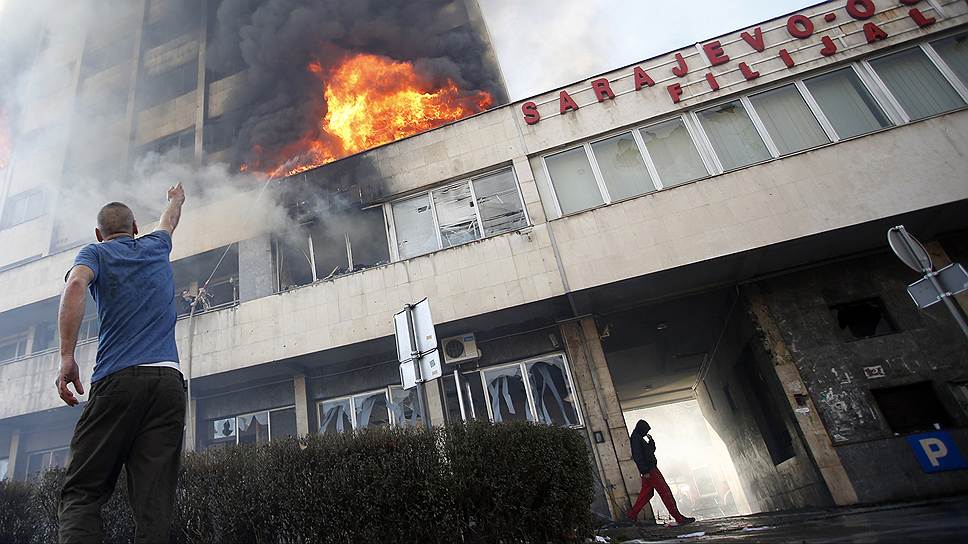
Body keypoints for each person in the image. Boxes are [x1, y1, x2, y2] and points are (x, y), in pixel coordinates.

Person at [56, 183, 187, 543]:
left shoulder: (95, 254)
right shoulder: (156, 245)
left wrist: (68, 357)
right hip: (168, 384)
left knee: (82, 492)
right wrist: (175, 198)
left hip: (117, 382)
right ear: (135, 230)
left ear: (99, 234)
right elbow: (169, 221)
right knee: (154, 504)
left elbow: (75, 287)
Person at [627, 419, 696, 526]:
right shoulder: (636, 439)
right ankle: (678, 518)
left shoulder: (638, 438)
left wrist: (651, 443)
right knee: (665, 492)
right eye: (646, 431)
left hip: (649, 470)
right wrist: (644, 470)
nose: (646, 433)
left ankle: (631, 515)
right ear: (642, 429)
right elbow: (638, 456)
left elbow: (648, 452)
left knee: (647, 494)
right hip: (650, 470)